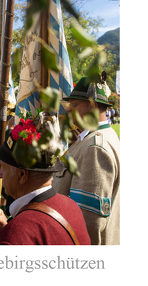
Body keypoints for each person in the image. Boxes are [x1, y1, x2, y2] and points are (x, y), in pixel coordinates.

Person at [0, 116, 91, 245]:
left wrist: (6, 234)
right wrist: (4, 229)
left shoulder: (15, 234)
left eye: (4, 168)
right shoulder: (72, 206)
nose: (0, 175)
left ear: (22, 175)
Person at [53, 73, 120, 245]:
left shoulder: (95, 147)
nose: (68, 109)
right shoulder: (98, 138)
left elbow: (87, 224)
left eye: (74, 105)